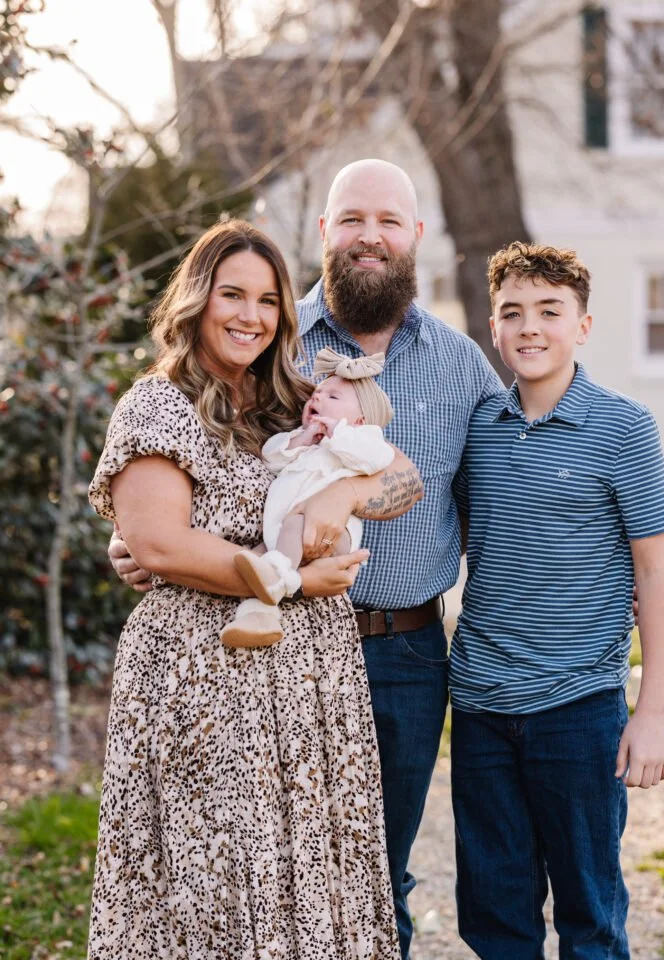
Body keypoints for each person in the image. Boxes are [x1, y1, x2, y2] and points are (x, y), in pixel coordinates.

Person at [109, 158, 505, 959]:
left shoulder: (454, 364)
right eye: (352, 219)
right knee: (243, 877)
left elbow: (446, 487)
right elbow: (177, 498)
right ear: (324, 232)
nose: (370, 236)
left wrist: (336, 501)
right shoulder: (279, 360)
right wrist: (144, 542)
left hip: (401, 652)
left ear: (415, 236)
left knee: (366, 878)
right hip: (264, 653)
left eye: (389, 221)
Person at [87, 219, 422, 958]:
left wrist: (342, 497)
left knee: (307, 878)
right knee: (213, 884)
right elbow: (158, 543)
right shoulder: (158, 405)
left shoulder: (291, 399)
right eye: (231, 294)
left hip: (307, 689)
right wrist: (295, 579)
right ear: (196, 300)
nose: (250, 315)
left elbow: (406, 480)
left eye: (268, 301)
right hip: (204, 679)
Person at [449, 242, 664, 958]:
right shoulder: (478, 429)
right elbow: (429, 533)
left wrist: (652, 714)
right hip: (482, 709)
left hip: (578, 713)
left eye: (550, 311)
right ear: (493, 327)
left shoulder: (624, 427)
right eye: (513, 312)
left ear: (582, 325)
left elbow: (658, 576)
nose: (530, 327)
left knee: (591, 918)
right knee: (496, 919)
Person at [221, 346, 395, 647]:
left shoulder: (362, 440)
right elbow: (271, 458)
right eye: (317, 393)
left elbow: (377, 459)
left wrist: (337, 436)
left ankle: (281, 580)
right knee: (253, 561)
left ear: (359, 420)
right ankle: (258, 617)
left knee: (289, 534)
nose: (317, 398)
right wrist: (301, 439)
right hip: (284, 538)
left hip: (330, 536)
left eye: (333, 397)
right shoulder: (309, 445)